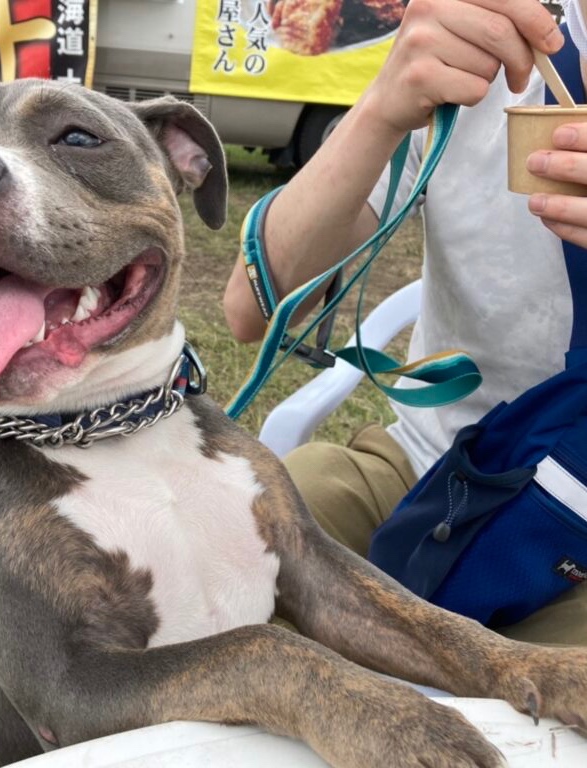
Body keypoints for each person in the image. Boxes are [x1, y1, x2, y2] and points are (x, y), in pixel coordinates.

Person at [223, 0, 587, 645]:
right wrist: (384, 106)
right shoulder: (487, 52)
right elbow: (257, 307)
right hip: (436, 469)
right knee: (216, 555)